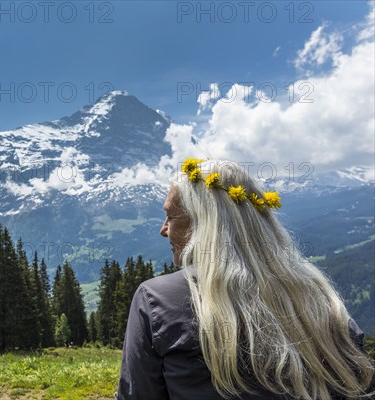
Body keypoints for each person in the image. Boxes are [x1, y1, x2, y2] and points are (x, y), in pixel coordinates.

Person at [116, 159, 375, 400]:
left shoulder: (157, 299)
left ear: (204, 224)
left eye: (171, 217)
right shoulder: (324, 301)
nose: (164, 230)